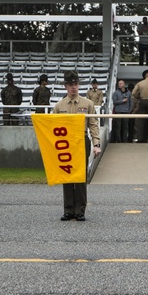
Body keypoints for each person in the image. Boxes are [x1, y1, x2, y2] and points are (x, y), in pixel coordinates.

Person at [53, 70, 101, 221]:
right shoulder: (59, 106)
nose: (74, 87)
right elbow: (53, 127)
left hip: (81, 140)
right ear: (65, 86)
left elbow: (93, 125)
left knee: (80, 176)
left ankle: (80, 210)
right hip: (65, 142)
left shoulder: (87, 104)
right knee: (67, 174)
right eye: (70, 85)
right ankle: (68, 210)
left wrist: (96, 144)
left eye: (76, 84)